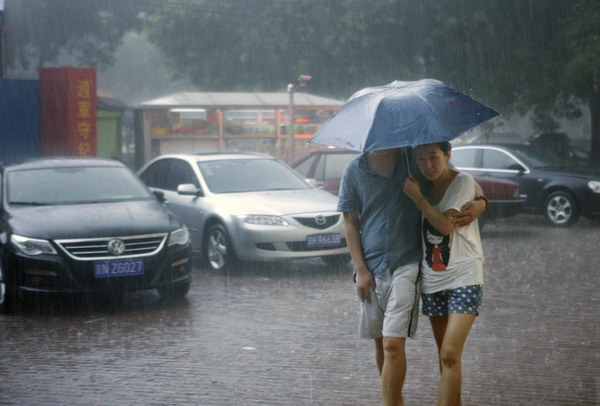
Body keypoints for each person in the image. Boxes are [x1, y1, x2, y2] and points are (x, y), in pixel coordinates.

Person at [337, 147, 486, 406]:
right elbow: (349, 220)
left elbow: (453, 178)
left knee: (399, 345)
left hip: (409, 263)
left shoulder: (412, 161)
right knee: (383, 344)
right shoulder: (354, 170)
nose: (428, 163)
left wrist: (482, 202)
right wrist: (360, 269)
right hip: (372, 267)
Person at [403, 142, 486, 406]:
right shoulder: (420, 182)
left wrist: (418, 199)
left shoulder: (461, 181)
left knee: (450, 352)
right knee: (446, 357)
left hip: (465, 274)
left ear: (448, 155)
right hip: (433, 278)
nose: (428, 165)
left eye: (434, 157)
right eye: (421, 158)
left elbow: (445, 226)